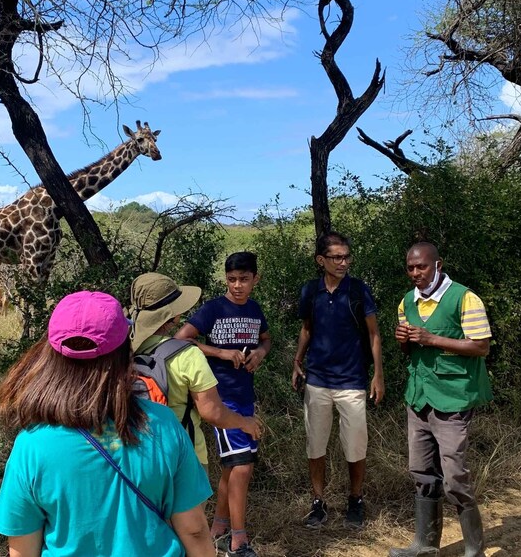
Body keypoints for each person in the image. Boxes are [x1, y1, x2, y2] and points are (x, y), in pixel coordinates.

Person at [0, 291, 214, 557]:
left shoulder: (32, 444)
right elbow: (194, 530)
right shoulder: (164, 424)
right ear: (123, 352)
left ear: (51, 356)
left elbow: (23, 551)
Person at [389, 242, 493, 557]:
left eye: (421, 266)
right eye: (410, 268)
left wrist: (431, 339)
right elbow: (413, 351)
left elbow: (481, 347)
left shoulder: (465, 298)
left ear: (437, 264)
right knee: (420, 470)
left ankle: (474, 550)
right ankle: (425, 545)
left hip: (453, 398)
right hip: (419, 396)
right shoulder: (407, 302)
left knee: (454, 477)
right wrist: (405, 341)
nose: (416, 273)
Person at [176, 252, 272, 557]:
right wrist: (219, 353)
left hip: (245, 397)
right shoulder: (213, 309)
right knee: (242, 465)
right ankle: (238, 541)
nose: (238, 285)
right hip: (220, 398)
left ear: (255, 279)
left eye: (244, 279)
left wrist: (260, 352)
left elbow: (267, 339)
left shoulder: (255, 310)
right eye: (232, 280)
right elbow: (181, 340)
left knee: (234, 467)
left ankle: (218, 529)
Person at [292, 232, 384, 529]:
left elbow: (374, 334)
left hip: (352, 381)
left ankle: (355, 499)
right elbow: (307, 328)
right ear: (321, 260)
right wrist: (297, 360)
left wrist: (378, 375)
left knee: (355, 446)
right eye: (336, 257)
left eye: (346, 256)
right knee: (315, 445)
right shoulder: (311, 291)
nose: (343, 262)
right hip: (317, 380)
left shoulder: (358, 290)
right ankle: (318, 503)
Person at [129, 272, 263, 474]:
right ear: (173, 316)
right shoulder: (187, 355)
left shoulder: (124, 351)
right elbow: (213, 412)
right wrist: (245, 423)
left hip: (137, 454)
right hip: (184, 455)